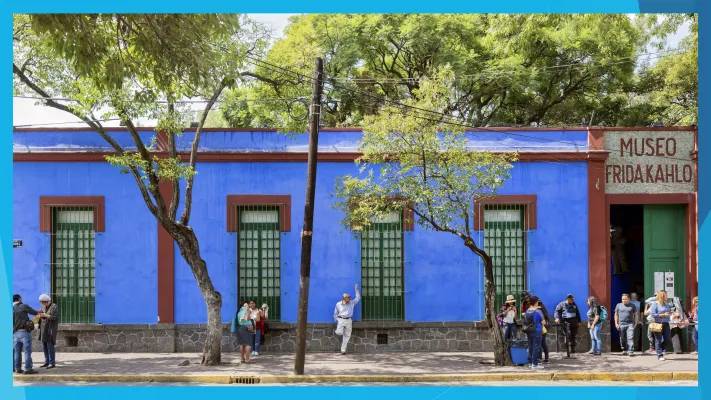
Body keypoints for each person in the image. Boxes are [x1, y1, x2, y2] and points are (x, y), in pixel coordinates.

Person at [13, 294, 41, 374]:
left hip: (15, 333)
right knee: (27, 351)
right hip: (24, 332)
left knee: (17, 352)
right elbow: (34, 312)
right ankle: (28, 369)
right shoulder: (23, 306)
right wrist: (40, 312)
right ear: (19, 299)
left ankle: (17, 368)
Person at [333, 284, 360, 355]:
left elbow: (358, 298)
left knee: (347, 335)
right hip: (341, 319)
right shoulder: (338, 304)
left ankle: (343, 350)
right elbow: (335, 313)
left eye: (349, 298)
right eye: (347, 298)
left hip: (349, 320)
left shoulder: (352, 303)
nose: (349, 299)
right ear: (343, 298)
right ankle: (337, 331)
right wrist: (336, 319)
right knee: (339, 332)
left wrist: (356, 290)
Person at [649, 290, 672, 361]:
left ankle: (660, 349)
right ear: (662, 296)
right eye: (666, 295)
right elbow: (652, 314)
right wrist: (662, 315)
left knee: (667, 339)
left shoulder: (667, 304)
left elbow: (668, 312)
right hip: (657, 323)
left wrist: (670, 313)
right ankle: (660, 355)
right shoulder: (655, 304)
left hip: (666, 323)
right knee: (658, 340)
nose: (667, 296)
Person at [37, 294, 59, 368]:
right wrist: (40, 316)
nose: (43, 304)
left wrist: (45, 315)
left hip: (50, 329)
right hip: (43, 329)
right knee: (44, 346)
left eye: (44, 302)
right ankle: (46, 362)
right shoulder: (43, 307)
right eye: (42, 302)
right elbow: (41, 317)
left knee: (50, 346)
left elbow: (54, 317)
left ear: (47, 301)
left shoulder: (54, 306)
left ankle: (52, 363)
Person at [524, 296, 545, 369]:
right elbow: (543, 322)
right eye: (537, 301)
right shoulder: (538, 311)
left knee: (530, 346)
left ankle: (530, 363)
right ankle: (535, 364)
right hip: (537, 330)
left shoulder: (527, 310)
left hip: (529, 331)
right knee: (536, 347)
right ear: (536, 302)